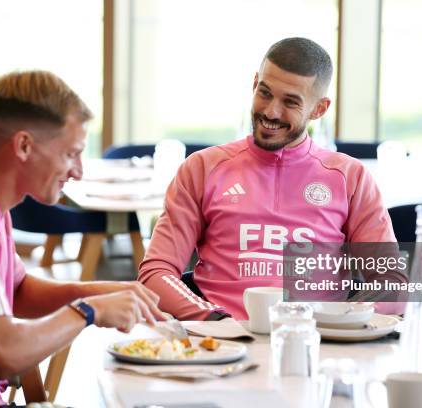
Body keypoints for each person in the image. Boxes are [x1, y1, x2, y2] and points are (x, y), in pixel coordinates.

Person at [0, 70, 165, 404]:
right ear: (24, 145)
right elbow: (0, 354)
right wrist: (88, 311)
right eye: (70, 153)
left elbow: (18, 292)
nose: (78, 170)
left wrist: (107, 293)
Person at [138, 37, 407, 321]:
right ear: (255, 84)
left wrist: (336, 321)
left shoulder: (350, 177)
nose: (270, 112)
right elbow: (156, 273)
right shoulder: (202, 168)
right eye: (265, 93)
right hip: (222, 344)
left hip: (320, 344)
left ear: (319, 109)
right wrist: (215, 321)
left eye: (290, 102)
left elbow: (393, 284)